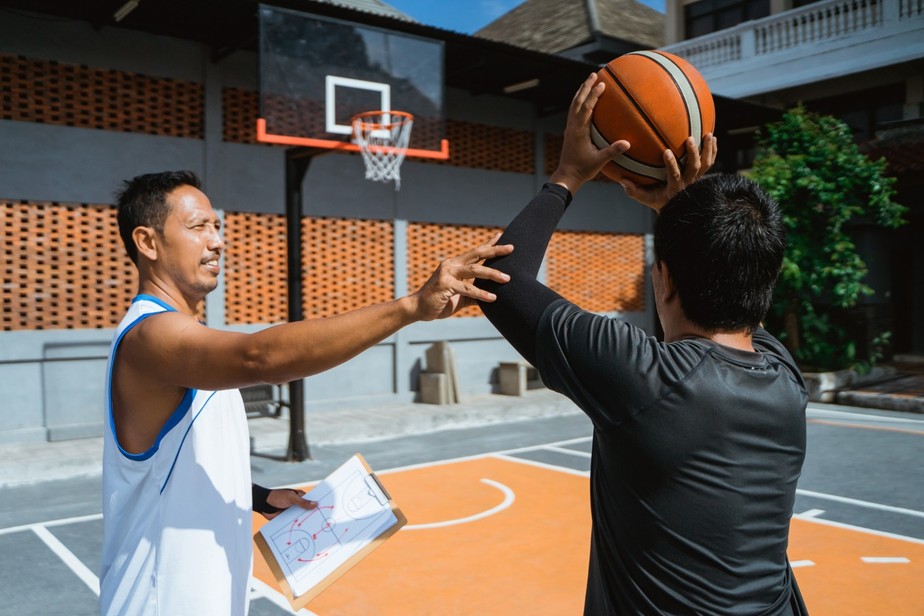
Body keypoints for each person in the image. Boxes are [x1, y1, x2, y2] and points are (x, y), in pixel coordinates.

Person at [100, 170, 512, 615]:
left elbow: (180, 461)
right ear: (147, 242)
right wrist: (410, 307)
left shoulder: (185, 341)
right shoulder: (149, 336)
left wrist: (257, 496)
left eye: (217, 227)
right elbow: (258, 358)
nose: (217, 241)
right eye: (199, 227)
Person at [476, 73, 809, 614]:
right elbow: (714, 303)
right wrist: (679, 213)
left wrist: (567, 175)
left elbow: (499, 276)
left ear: (664, 280)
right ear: (765, 287)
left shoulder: (643, 376)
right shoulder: (783, 375)